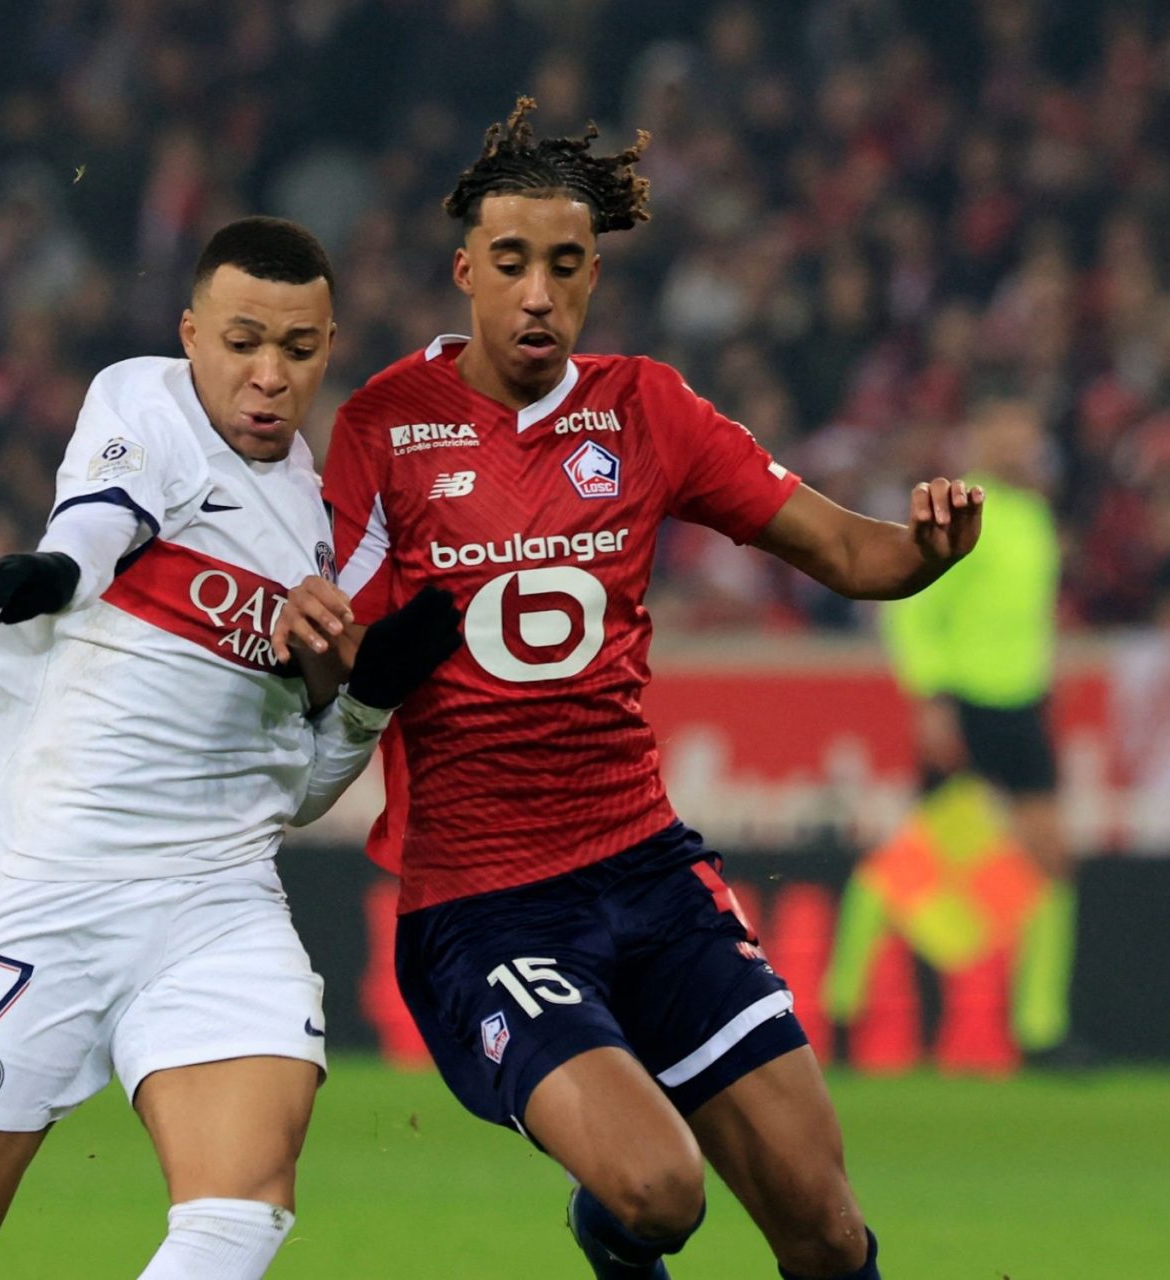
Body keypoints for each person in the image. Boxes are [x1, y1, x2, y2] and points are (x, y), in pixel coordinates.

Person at [274, 99, 983, 1280]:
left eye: (564, 266)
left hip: (646, 869)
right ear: (465, 271)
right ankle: (609, 1226)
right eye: (511, 263)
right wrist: (314, 645)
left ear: (594, 275)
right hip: (484, 906)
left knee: (823, 1226)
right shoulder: (387, 425)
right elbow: (335, 635)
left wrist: (926, 548)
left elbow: (850, 552)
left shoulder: (646, 408)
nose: (538, 293)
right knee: (658, 1189)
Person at [0, 216, 462, 1280]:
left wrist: (367, 696)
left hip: (217, 897)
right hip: (59, 882)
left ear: (329, 347)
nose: (270, 374)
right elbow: (101, 517)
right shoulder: (146, 402)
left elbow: (298, 793)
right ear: (192, 336)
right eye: (243, 341)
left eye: (298, 348)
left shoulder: (322, 529)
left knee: (242, 1208)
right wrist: (57, 572)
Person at [878, 397, 1080, 1066]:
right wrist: (930, 695)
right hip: (963, 698)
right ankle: (848, 1001)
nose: (1020, 441)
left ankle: (1041, 1030)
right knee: (920, 864)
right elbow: (914, 605)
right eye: (1007, 429)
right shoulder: (959, 507)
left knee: (1048, 858)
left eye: (1028, 430)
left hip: (1020, 704)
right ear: (982, 434)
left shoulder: (1035, 515)